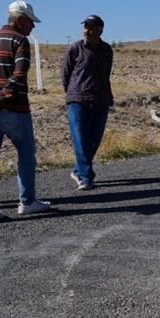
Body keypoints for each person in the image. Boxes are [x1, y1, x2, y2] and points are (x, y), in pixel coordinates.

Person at [0, 0, 51, 224]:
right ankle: (27, 202)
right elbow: (19, 75)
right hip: (15, 110)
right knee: (25, 154)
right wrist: (0, 98)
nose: (32, 26)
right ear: (20, 19)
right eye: (31, 21)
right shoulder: (19, 40)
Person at [61, 14, 115, 191]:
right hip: (78, 100)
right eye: (85, 26)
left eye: (91, 27)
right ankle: (85, 176)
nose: (87, 30)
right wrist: (72, 93)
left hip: (101, 100)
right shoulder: (75, 49)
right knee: (81, 139)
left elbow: (106, 73)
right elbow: (65, 74)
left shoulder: (107, 50)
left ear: (100, 30)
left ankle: (78, 170)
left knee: (94, 140)